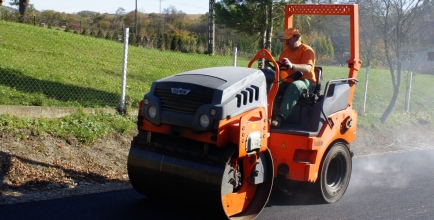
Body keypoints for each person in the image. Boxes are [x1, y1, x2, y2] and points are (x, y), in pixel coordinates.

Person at [271, 27, 316, 128]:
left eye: (288, 40)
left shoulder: (307, 51)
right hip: (288, 80)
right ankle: (266, 114)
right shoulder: (285, 52)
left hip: (306, 82)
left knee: (295, 86)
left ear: (297, 38)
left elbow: (308, 68)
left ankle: (279, 118)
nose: (286, 43)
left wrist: (292, 66)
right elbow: (280, 68)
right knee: (272, 85)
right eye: (285, 40)